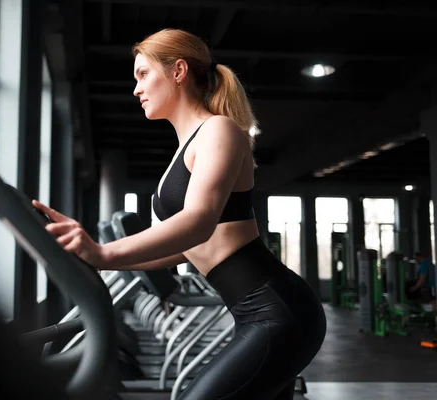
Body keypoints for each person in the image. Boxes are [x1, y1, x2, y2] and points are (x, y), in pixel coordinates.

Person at [33, 28, 327, 400]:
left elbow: (199, 222)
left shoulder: (219, 129)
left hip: (278, 312)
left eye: (143, 74)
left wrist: (104, 253)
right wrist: (98, 258)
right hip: (253, 314)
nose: (136, 89)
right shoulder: (185, 147)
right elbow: (185, 247)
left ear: (178, 71)